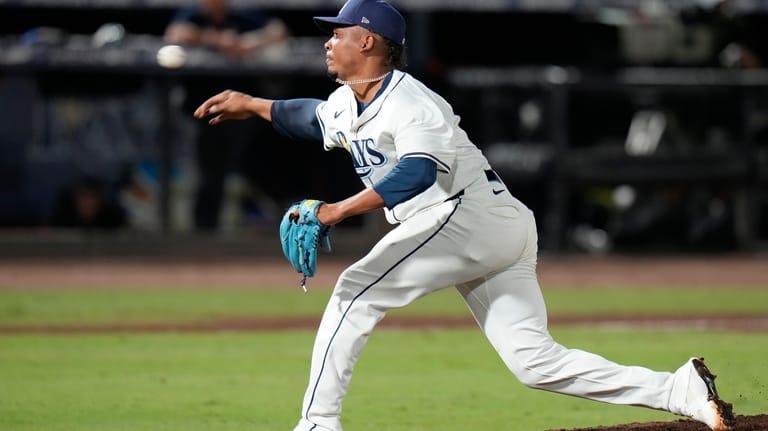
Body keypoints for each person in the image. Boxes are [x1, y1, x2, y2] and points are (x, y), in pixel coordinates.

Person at [192, 1, 735, 430]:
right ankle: (677, 390)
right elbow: (314, 118)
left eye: (338, 32)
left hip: (465, 215)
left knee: (355, 292)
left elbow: (418, 173)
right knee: (534, 362)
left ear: (368, 41)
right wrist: (255, 105)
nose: (329, 40)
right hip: (489, 228)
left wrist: (337, 209)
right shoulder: (347, 97)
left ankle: (317, 423)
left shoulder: (411, 102)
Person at [164, 0, 291, 231]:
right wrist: (218, 40)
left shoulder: (242, 15)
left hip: (241, 111)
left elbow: (279, 31)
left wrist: (247, 44)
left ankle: (252, 227)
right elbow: (174, 34)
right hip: (202, 111)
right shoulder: (192, 15)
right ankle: (204, 230)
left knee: (249, 169)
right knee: (208, 173)